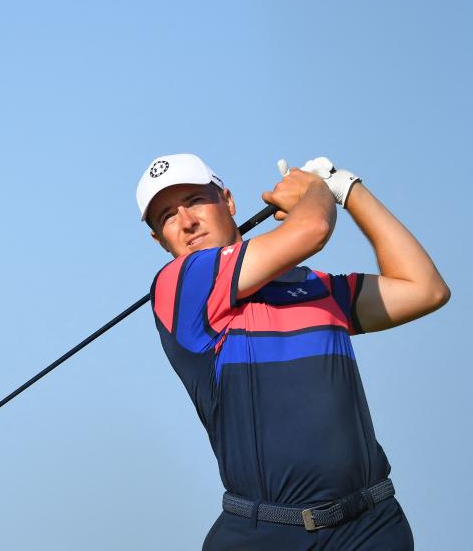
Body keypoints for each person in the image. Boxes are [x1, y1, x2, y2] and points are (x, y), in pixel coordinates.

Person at [135, 153, 449, 550]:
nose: (186, 222)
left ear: (228, 202)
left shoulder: (318, 289)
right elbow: (313, 227)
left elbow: (425, 289)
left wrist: (348, 189)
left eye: (196, 200)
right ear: (159, 239)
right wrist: (318, 191)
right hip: (267, 533)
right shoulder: (180, 286)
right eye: (166, 216)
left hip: (371, 526)